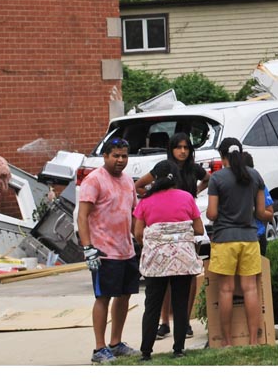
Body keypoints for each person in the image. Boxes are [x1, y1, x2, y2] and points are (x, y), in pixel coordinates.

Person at [135, 133, 209, 340]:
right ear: (172, 149)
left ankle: (184, 322)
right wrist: (153, 197)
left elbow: (207, 179)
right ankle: (165, 322)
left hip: (186, 227)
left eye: (186, 147)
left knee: (189, 274)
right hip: (165, 231)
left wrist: (194, 195)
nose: (183, 151)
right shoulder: (163, 167)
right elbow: (139, 185)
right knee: (164, 277)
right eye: (178, 147)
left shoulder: (194, 169)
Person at [77, 137, 140, 364]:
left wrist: (139, 239)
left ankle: (116, 343)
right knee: (103, 297)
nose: (120, 160)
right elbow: (82, 216)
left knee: (124, 296)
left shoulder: (128, 181)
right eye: (116, 155)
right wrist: (88, 248)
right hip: (103, 251)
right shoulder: (94, 180)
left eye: (124, 156)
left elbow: (132, 214)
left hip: (126, 250)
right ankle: (99, 348)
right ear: (105, 156)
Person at [206, 137, 270, 347]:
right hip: (250, 239)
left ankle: (226, 341)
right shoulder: (254, 176)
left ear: (222, 155)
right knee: (250, 288)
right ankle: (253, 340)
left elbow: (212, 213)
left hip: (224, 239)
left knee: (225, 290)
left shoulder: (217, 179)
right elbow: (261, 213)